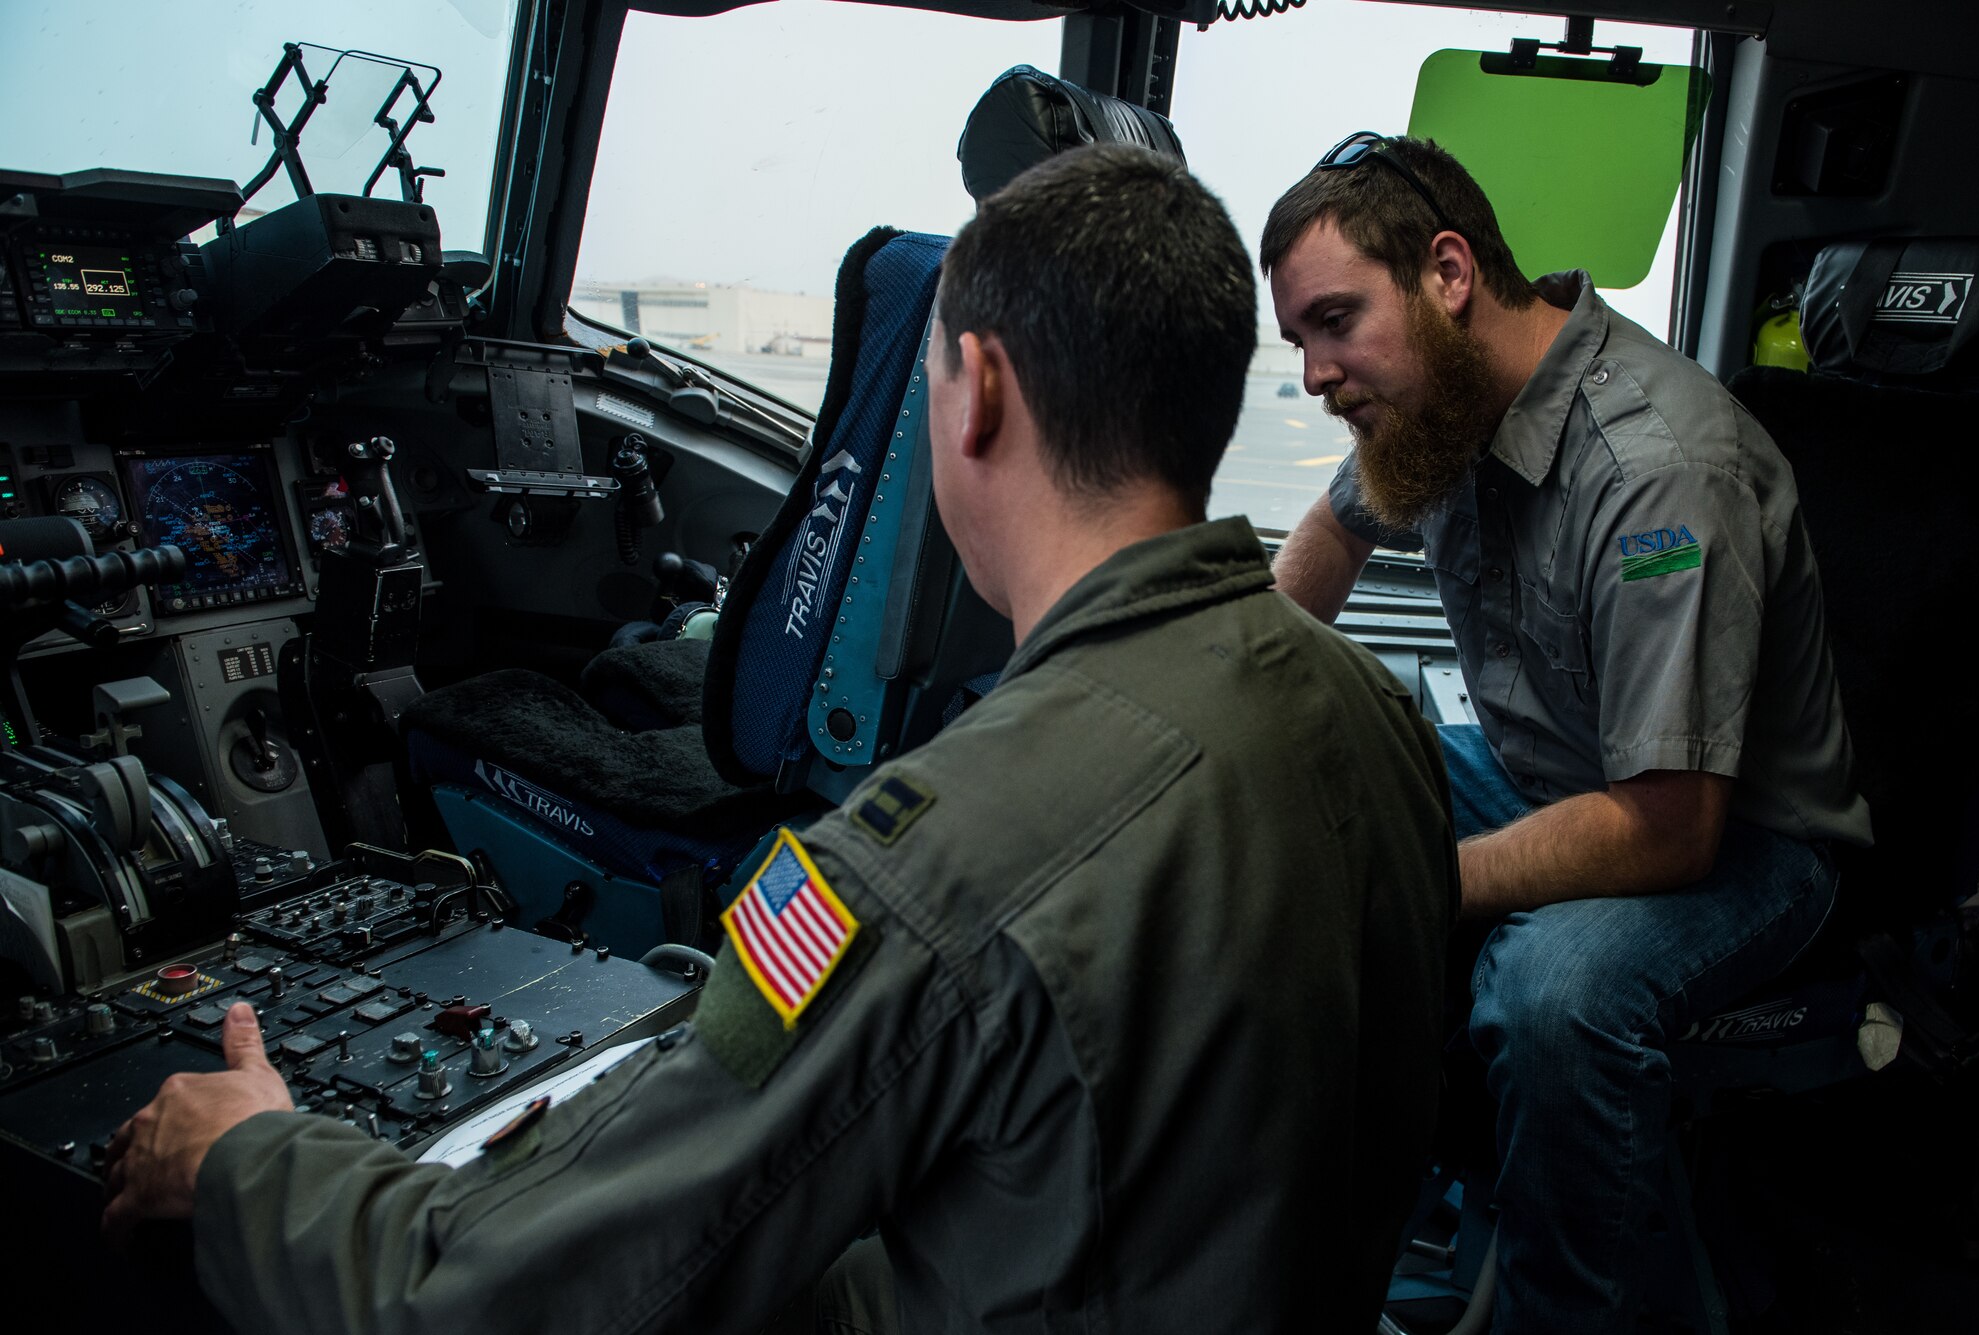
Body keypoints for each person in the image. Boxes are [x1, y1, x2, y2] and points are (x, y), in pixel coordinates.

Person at [103, 143, 1459, 1335]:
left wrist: (248, 1160)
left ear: (977, 389)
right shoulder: (1374, 716)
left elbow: (499, 1295)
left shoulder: (926, 861)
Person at [1260, 133, 1873, 1332]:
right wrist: (1243, 701)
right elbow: (1326, 545)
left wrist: (1415, 883)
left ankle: (1564, 1305)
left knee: (1550, 993)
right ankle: (1412, 1192)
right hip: (1559, 776)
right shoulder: (1430, 406)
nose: (1316, 374)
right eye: (1298, 344)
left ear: (1445, 274)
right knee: (1307, 781)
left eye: (1334, 322)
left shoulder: (1654, 471)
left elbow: (1667, 829)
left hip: (1740, 839)